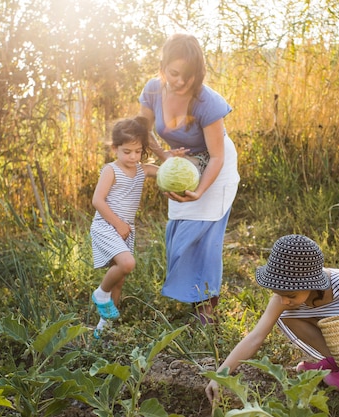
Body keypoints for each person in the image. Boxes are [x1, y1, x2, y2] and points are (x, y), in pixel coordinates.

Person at [205, 234, 339, 402]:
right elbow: (255, 337)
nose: (283, 300)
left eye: (291, 295)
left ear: (312, 283)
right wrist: (220, 375)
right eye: (279, 293)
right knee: (288, 315)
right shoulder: (281, 299)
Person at [138, 33, 240, 324]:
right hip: (183, 165)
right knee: (181, 233)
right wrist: (164, 157)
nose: (180, 81)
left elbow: (217, 156)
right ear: (163, 66)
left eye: (189, 75)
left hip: (214, 168)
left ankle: (207, 306)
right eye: (174, 73)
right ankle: (194, 295)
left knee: (204, 235)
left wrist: (200, 190)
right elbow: (143, 130)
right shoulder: (153, 90)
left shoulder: (207, 101)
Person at [89, 116, 159, 338]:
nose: (133, 156)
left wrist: (172, 158)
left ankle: (105, 328)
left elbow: (165, 170)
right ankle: (100, 294)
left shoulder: (141, 170)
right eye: (127, 151)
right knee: (127, 264)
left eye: (138, 151)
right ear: (115, 149)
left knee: (119, 280)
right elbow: (97, 200)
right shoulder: (111, 170)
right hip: (107, 224)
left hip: (125, 229)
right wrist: (118, 224)